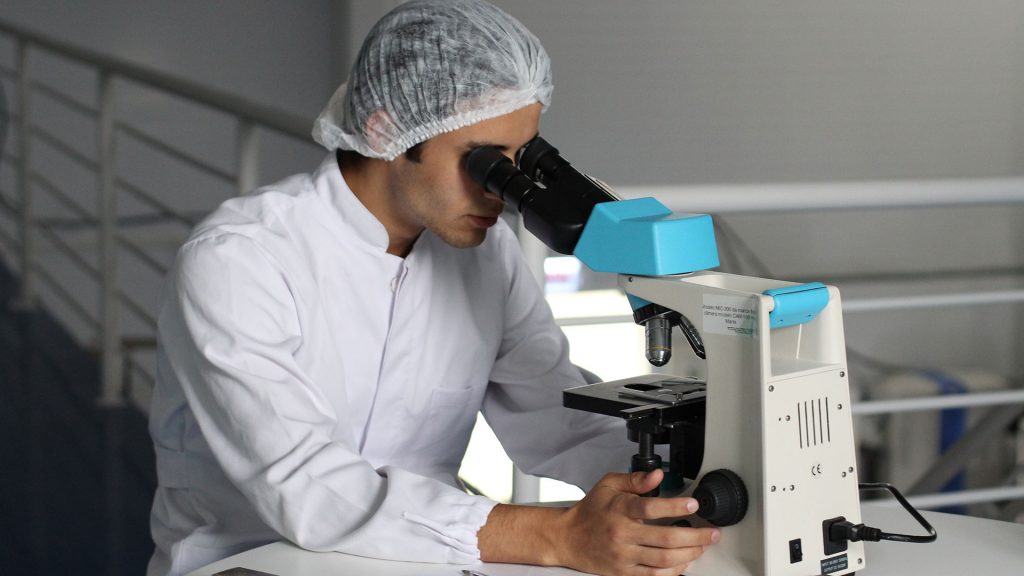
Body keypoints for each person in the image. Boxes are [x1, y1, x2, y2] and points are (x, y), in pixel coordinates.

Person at [147, 1, 719, 575]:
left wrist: (684, 476)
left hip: (423, 559)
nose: (503, 191)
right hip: (250, 563)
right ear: (387, 128)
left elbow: (556, 419)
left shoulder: (486, 256)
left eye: (521, 158)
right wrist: (557, 535)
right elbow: (305, 486)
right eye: (485, 164)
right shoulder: (241, 260)